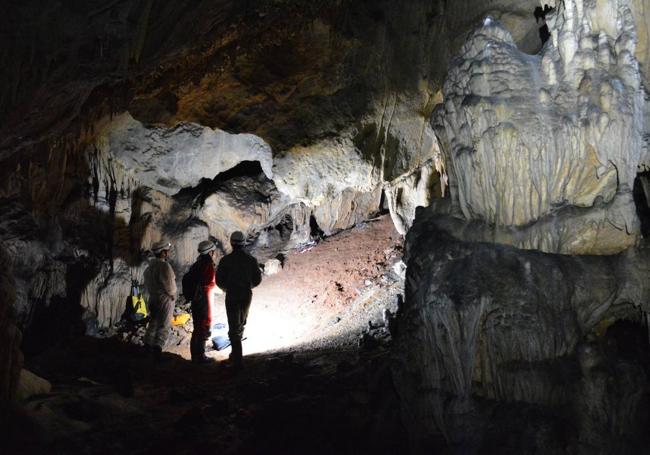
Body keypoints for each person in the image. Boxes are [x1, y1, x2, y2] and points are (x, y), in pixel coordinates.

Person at [216, 231, 262, 367]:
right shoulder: (251, 260)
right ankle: (236, 355)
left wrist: (227, 288)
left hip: (232, 294)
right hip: (246, 294)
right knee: (242, 321)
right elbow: (257, 279)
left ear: (231, 243)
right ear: (243, 243)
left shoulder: (225, 261)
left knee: (233, 324)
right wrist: (248, 286)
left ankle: (237, 358)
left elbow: (219, 281)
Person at [143, 240, 176, 360]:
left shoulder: (150, 267)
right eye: (167, 251)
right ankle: (157, 351)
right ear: (163, 253)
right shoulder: (164, 266)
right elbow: (170, 285)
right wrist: (172, 295)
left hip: (153, 298)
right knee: (163, 326)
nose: (168, 253)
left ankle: (147, 347)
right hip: (164, 300)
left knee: (153, 323)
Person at [190, 240, 218, 364]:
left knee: (197, 326)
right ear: (210, 251)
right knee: (203, 324)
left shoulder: (197, 263)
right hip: (204, 299)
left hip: (196, 299)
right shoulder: (207, 264)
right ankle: (200, 357)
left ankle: (194, 356)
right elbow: (208, 283)